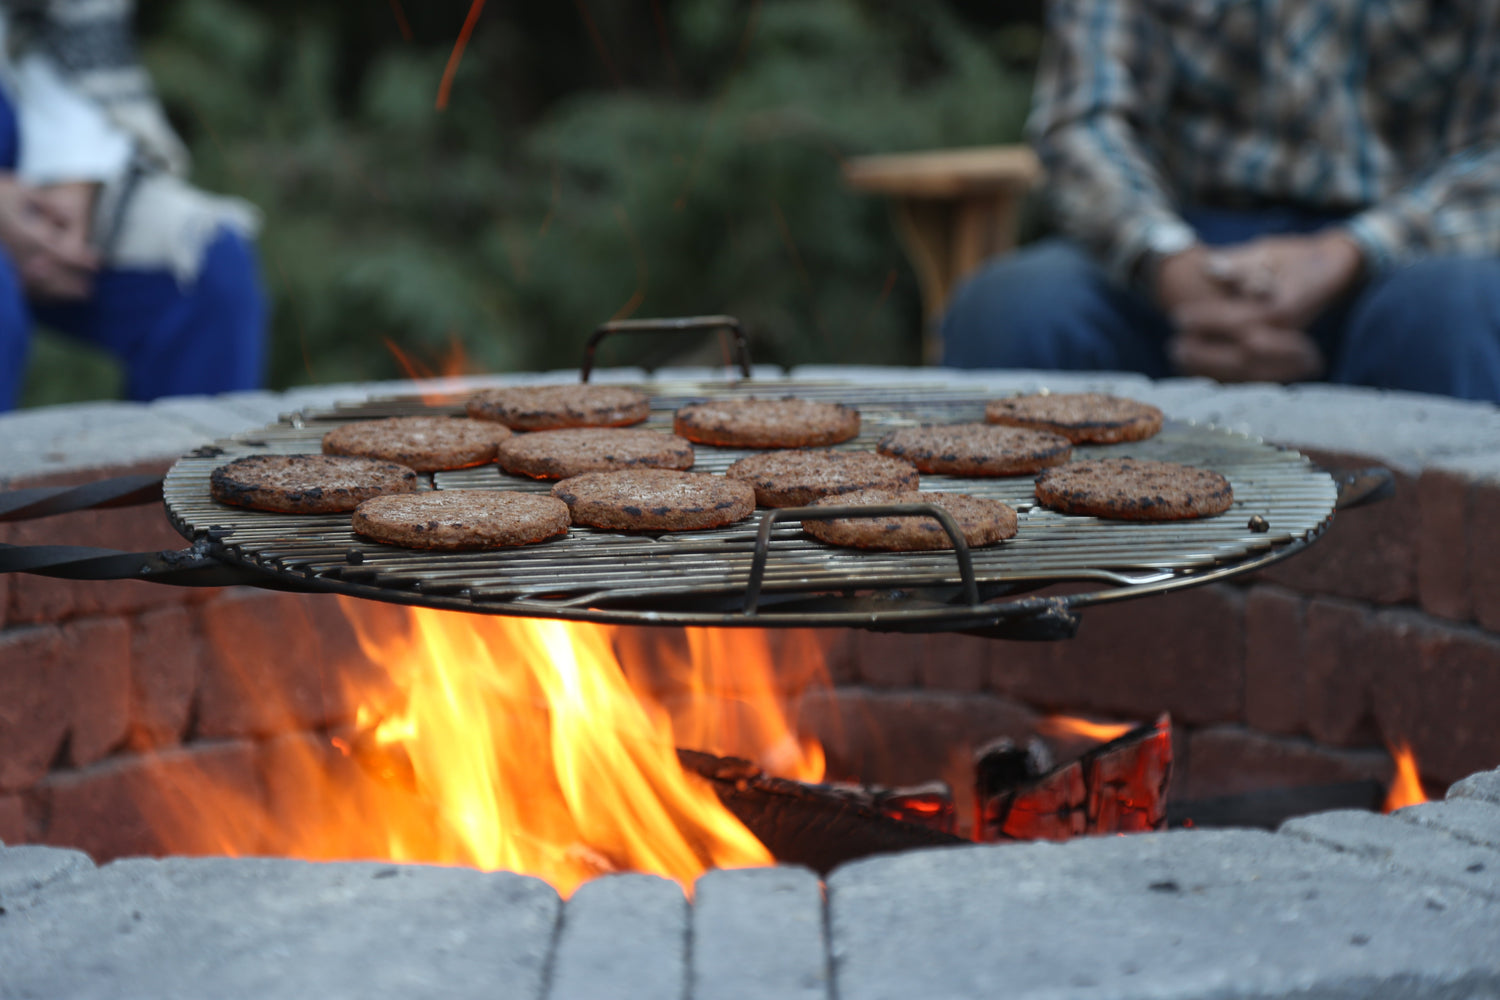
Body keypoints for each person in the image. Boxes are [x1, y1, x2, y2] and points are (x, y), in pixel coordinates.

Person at [940, 0, 1500, 402]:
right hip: (1173, 249)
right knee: (1013, 309)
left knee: (1457, 313)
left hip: (1405, 252)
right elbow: (1084, 123)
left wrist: (1349, 252)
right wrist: (1169, 262)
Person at [0, 0, 266, 411]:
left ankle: (190, 454)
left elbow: (65, 26)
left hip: (35, 143)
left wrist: (76, 175)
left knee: (211, 269)